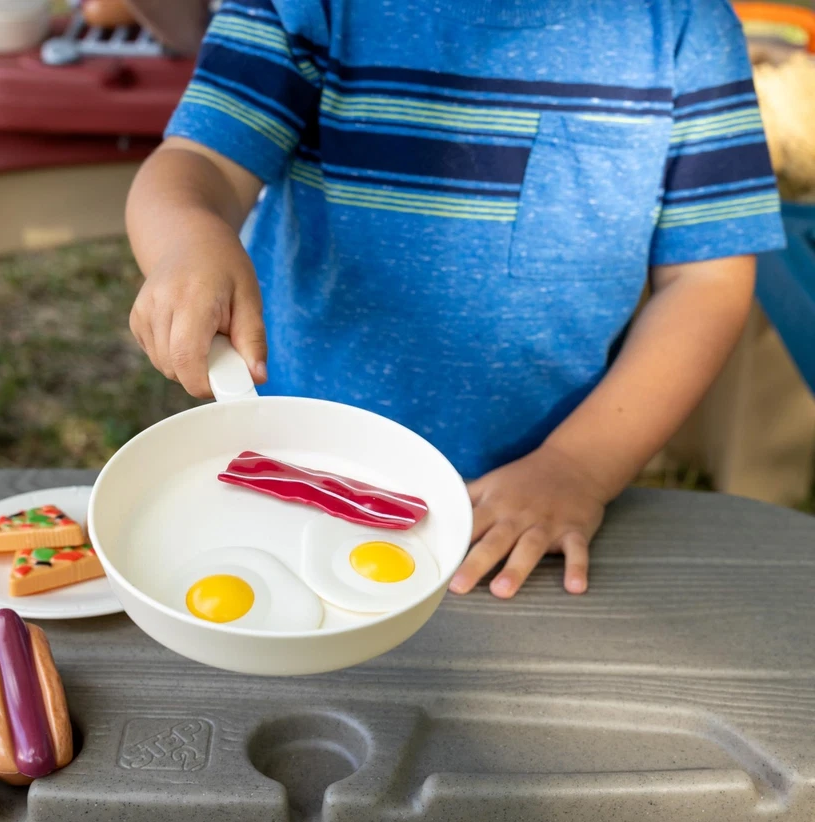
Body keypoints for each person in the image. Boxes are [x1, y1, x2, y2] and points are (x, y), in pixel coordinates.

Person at [126, 0, 785, 598]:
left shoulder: (687, 27)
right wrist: (188, 241)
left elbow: (705, 281)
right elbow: (200, 164)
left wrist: (581, 465)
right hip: (293, 467)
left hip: (528, 503)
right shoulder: (306, 6)